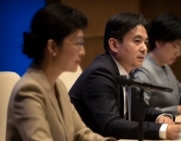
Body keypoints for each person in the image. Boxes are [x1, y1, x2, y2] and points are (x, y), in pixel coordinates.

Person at [6, 4, 115, 141]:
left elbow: (81, 133)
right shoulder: (28, 90)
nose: (82, 52)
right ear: (52, 46)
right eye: (78, 43)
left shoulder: (58, 85)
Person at [69, 12, 181, 140]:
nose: (144, 48)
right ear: (114, 45)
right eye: (137, 41)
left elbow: (138, 110)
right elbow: (111, 124)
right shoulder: (100, 73)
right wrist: (164, 130)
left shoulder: (126, 71)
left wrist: (160, 117)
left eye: (145, 42)